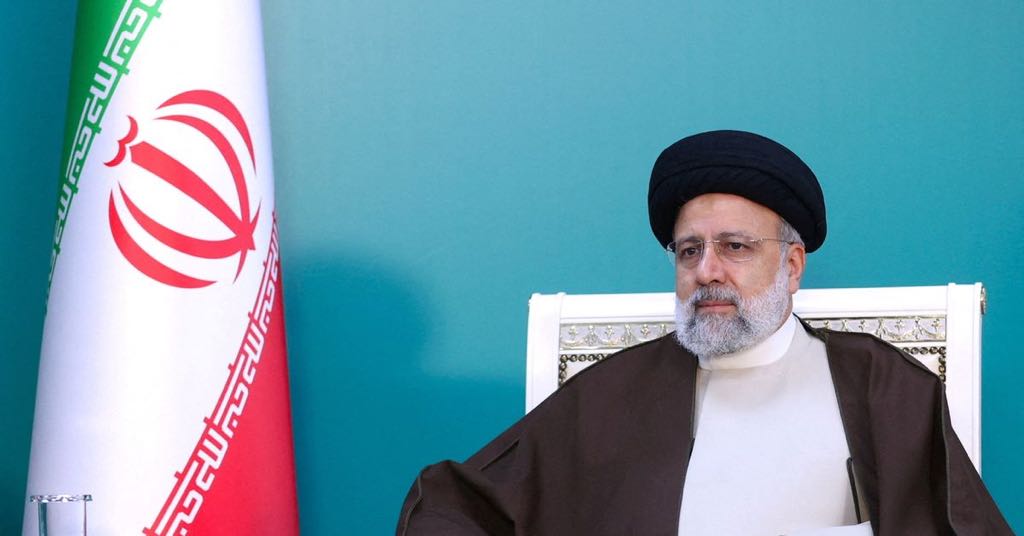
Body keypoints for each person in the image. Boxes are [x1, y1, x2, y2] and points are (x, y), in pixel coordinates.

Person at [396, 130, 1012, 535]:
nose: (707, 271)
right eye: (690, 251)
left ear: (792, 265)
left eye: (735, 247)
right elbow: (463, 504)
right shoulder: (611, 393)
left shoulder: (882, 386)